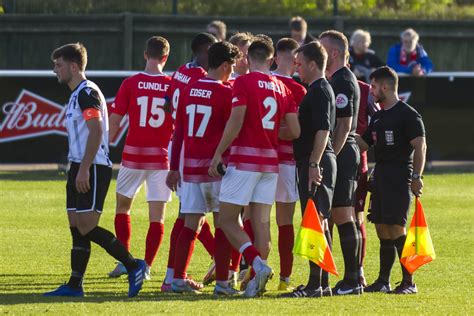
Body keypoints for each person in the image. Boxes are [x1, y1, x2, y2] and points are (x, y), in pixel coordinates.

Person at [44, 43, 146, 298]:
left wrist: (85, 169)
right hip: (78, 165)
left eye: (58, 65)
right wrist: (78, 168)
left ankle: (134, 266)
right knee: (76, 227)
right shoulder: (76, 93)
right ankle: (75, 284)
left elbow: (97, 131)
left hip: (92, 167)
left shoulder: (87, 92)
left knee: (87, 226)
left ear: (74, 66)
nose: (55, 69)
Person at [208, 38, 300, 298]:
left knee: (226, 219)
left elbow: (236, 121)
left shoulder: (244, 82)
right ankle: (253, 283)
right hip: (271, 164)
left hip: (244, 161)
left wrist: (217, 155)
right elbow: (294, 130)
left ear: (247, 59)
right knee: (261, 224)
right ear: (272, 60)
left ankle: (258, 266)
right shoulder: (283, 88)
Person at [167, 41, 242, 295]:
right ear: (224, 65)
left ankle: (178, 279)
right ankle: (222, 283)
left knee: (191, 224)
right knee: (223, 223)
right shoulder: (226, 93)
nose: (232, 71)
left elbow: (178, 134)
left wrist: (173, 167)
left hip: (189, 169)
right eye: (232, 66)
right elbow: (231, 133)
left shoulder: (189, 89)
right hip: (215, 168)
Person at [107, 36, 173, 280]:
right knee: (157, 216)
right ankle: (145, 266)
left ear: (145, 54)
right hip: (160, 159)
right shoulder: (172, 85)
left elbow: (115, 122)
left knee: (123, 208)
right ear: (165, 58)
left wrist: (105, 147)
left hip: (132, 156)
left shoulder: (131, 83)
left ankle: (125, 261)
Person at [356, 66, 426, 294]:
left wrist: (417, 177)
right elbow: (365, 143)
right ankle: (383, 281)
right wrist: (344, 134)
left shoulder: (408, 114)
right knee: (382, 229)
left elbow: (420, 146)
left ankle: (409, 282)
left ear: (385, 86)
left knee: (396, 228)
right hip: (381, 177)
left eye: (374, 87)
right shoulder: (378, 115)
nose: (372, 91)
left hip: (399, 178)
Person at [161, 32, 218, 292]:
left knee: (190, 215)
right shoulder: (201, 79)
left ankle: (173, 276)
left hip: (180, 142)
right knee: (190, 216)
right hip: (189, 147)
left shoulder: (182, 70)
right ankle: (177, 276)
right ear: (205, 51)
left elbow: (167, 106)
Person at [281, 40, 337, 298]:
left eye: (300, 63)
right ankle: (320, 283)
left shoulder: (320, 90)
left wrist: (314, 163)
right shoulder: (314, 89)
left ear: (313, 64)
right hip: (311, 161)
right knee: (317, 222)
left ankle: (316, 284)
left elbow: (324, 130)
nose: (297, 68)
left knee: (316, 222)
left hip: (316, 161)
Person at [320, 30, 362, 296]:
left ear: (334, 53)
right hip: (343, 153)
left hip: (343, 153)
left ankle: (353, 279)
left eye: (323, 49)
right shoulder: (337, 78)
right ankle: (347, 277)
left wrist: (330, 157)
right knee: (339, 215)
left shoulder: (343, 80)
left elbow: (344, 125)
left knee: (343, 215)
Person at [272, 37, 307, 291]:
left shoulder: (259, 82)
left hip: (258, 160)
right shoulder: (299, 90)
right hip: (286, 162)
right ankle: (284, 279)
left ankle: (251, 271)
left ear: (274, 57)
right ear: (296, 61)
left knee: (254, 219)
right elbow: (298, 130)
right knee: (285, 221)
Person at [354, 79, 380, 287]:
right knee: (327, 218)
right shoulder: (323, 84)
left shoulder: (365, 90)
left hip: (355, 162)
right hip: (328, 160)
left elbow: (379, 121)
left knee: (357, 217)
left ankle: (357, 270)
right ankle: (323, 274)